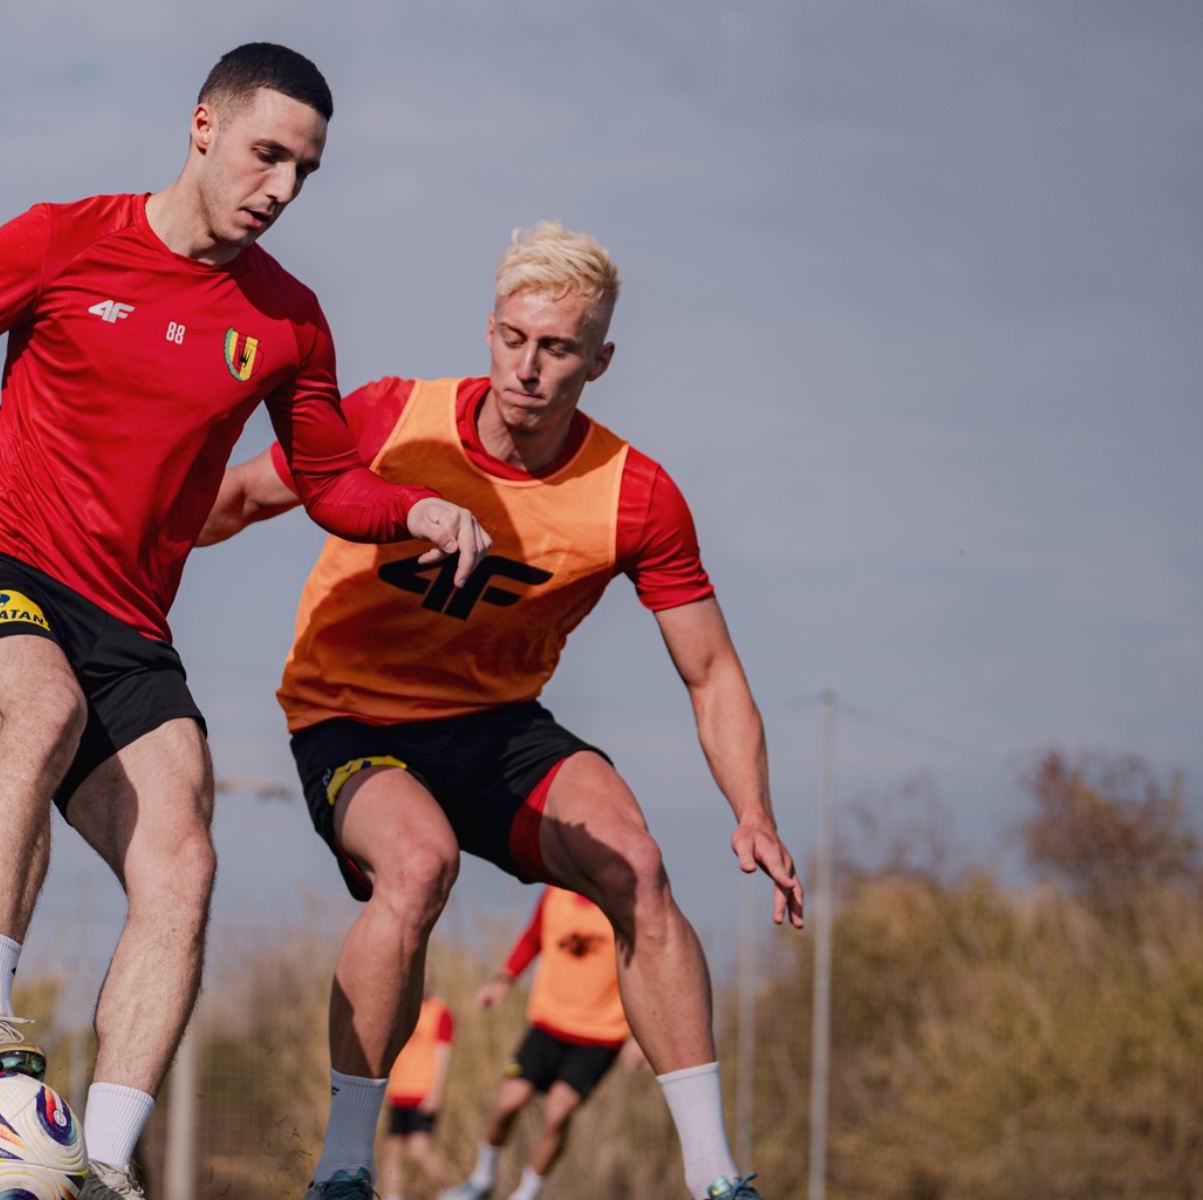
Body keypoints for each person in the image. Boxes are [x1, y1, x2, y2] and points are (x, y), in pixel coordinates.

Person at [0, 41, 489, 1200]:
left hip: (131, 628)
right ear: (203, 126)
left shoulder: (290, 321)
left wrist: (415, 510)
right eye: (267, 154)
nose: (282, 188)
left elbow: (330, 479)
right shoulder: (61, 239)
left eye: (305, 170)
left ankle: (99, 1165)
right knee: (39, 710)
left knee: (183, 858)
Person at [199, 221, 803, 1200]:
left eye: (558, 348)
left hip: (496, 724)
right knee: (418, 864)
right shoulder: (394, 418)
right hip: (350, 717)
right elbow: (236, 501)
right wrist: (102, 546)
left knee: (639, 866)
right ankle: (344, 1166)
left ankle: (716, 1177)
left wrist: (754, 810)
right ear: (488, 331)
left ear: (599, 360)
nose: (529, 367)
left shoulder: (636, 495)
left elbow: (712, 673)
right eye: (514, 338)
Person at [442, 888, 632, 1200]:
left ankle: (526, 1194)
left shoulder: (623, 900)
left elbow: (644, 967)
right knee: (507, 1104)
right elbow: (533, 938)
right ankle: (481, 1180)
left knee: (557, 1114)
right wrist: (503, 981)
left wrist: (640, 1036)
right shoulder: (555, 894)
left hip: (601, 1035)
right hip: (547, 1025)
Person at [381, 995, 453, 1199]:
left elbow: (443, 1054)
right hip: (397, 1092)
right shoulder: (398, 1008)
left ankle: (450, 1192)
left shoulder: (440, 1012)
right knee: (393, 1151)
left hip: (423, 1094)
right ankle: (394, 1196)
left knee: (420, 1151)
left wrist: (436, 1092)